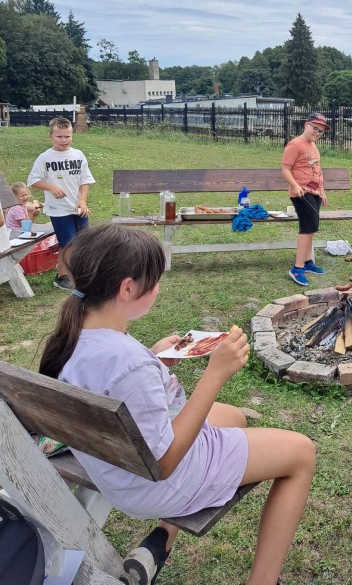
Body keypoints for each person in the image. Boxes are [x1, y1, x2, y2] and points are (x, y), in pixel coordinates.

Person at [39, 224, 316, 585]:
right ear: (127, 288)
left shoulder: (74, 339)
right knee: (302, 453)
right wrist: (214, 375)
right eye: (154, 281)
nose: (158, 287)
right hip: (157, 482)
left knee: (233, 417)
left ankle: (162, 540)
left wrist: (155, 359)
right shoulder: (128, 364)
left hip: (115, 474)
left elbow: (118, 385)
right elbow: (165, 462)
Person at [27, 116, 95, 289]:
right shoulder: (45, 157)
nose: (64, 140)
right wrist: (50, 187)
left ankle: (80, 273)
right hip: (59, 210)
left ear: (72, 135)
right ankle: (62, 277)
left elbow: (85, 180)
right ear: (51, 136)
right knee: (67, 243)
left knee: (83, 241)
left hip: (78, 207)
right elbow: (33, 180)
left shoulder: (78, 155)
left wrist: (83, 200)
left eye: (67, 136)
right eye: (59, 136)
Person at [281, 112, 330, 286]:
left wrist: (322, 191)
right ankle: (297, 268)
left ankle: (308, 262)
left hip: (314, 193)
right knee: (307, 228)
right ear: (305, 125)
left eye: (321, 131)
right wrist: (295, 185)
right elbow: (285, 169)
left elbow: (318, 170)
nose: (317, 133)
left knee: (312, 227)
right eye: (314, 128)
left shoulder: (313, 146)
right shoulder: (295, 144)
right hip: (301, 193)